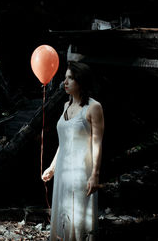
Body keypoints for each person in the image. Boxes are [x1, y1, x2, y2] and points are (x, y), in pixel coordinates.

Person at [42, 61, 104, 241]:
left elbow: (97, 143)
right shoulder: (65, 106)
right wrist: (52, 168)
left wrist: (95, 175)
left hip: (80, 172)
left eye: (70, 78)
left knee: (77, 218)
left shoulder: (93, 107)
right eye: (65, 78)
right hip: (63, 171)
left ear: (81, 81)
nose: (65, 82)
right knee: (62, 214)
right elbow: (64, 142)